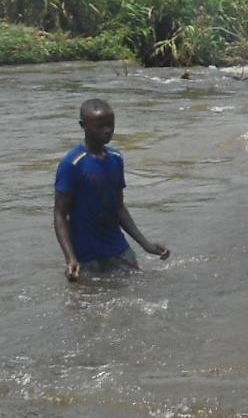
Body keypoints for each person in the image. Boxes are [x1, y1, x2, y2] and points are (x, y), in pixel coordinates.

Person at [53, 98, 170, 281]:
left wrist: (145, 244)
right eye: (100, 126)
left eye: (110, 125)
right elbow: (60, 215)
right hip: (86, 255)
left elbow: (118, 207)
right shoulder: (72, 164)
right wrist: (71, 258)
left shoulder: (115, 158)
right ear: (83, 125)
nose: (107, 130)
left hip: (117, 248)